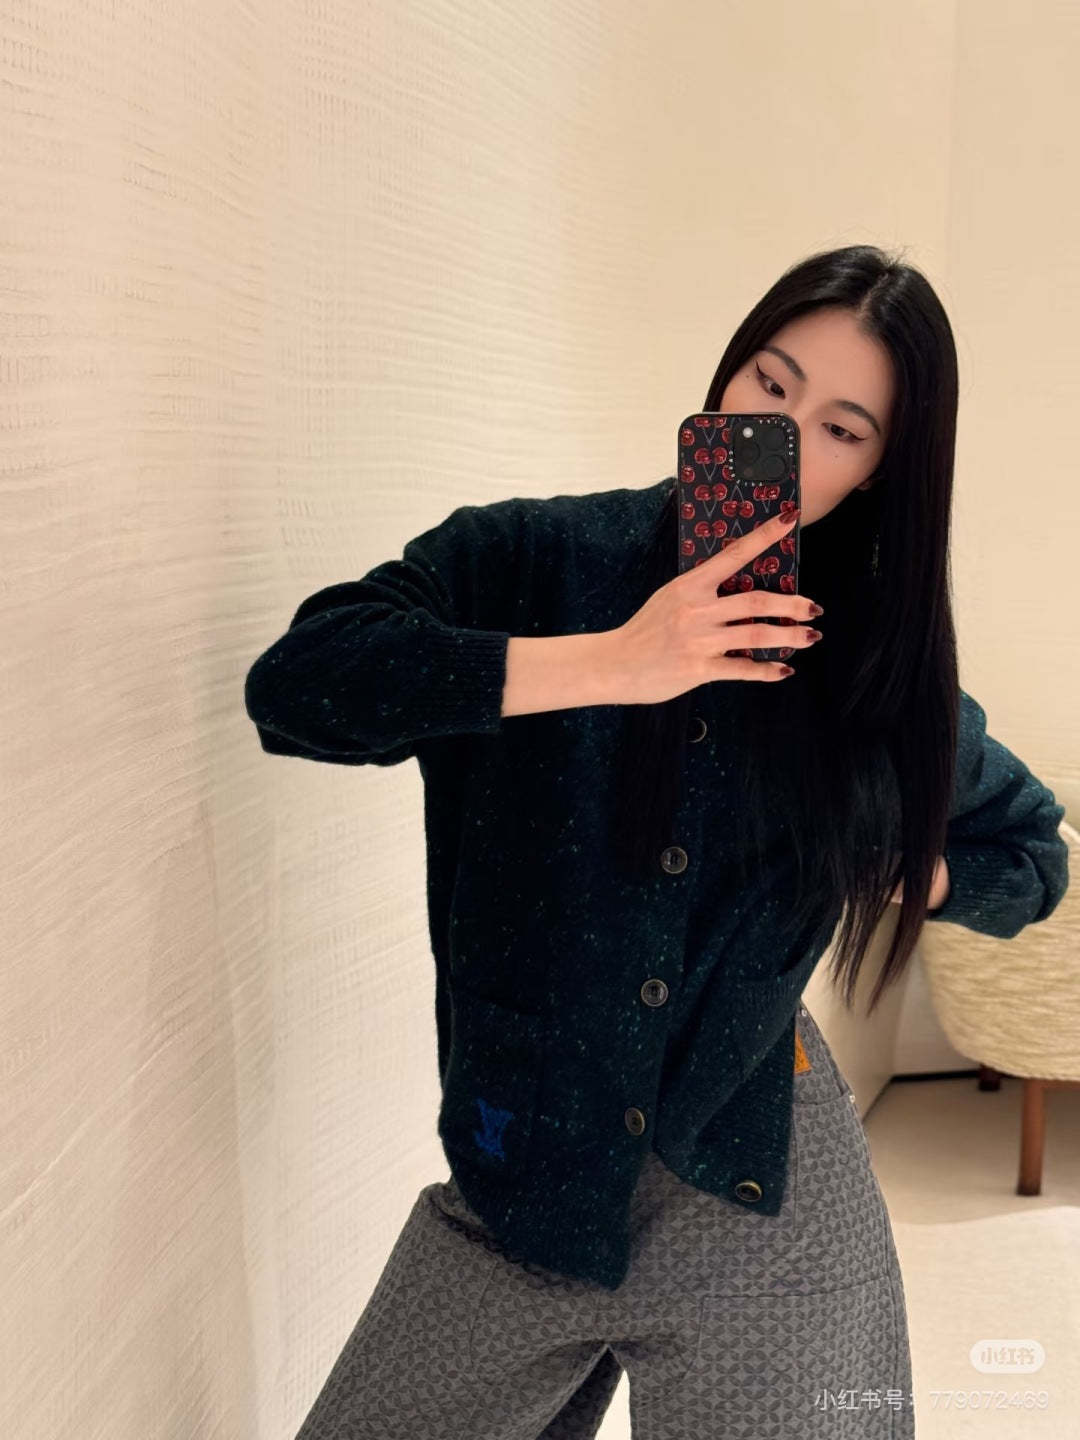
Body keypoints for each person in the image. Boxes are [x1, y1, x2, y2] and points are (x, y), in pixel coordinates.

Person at [244, 244, 1069, 1438]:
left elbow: (1033, 857)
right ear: (726, 376)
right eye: (771, 386)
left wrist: (909, 870)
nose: (786, 437)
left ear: (882, 469)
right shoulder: (536, 562)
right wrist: (613, 662)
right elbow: (299, 689)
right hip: (522, 1184)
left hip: (762, 1194)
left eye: (843, 429)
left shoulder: (863, 668)